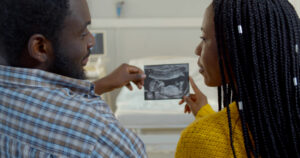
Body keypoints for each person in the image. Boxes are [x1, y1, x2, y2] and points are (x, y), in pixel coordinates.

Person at [0, 0, 147, 157]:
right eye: (83, 34)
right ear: (40, 47)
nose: (91, 41)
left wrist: (100, 85)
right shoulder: (98, 137)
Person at [176, 0, 300, 157]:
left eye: (204, 38)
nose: (197, 50)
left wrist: (208, 125)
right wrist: (204, 112)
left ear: (235, 48)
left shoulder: (199, 140)